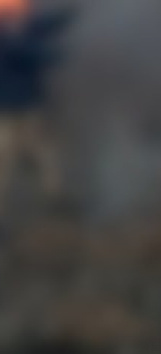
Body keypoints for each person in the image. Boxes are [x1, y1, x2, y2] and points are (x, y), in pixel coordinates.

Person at [0, 0, 73, 216]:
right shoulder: (8, 36)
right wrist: (54, 55)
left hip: (26, 106)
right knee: (6, 158)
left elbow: (42, 24)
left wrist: (67, 15)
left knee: (42, 152)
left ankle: (55, 197)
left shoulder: (19, 28)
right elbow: (23, 52)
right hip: (8, 110)